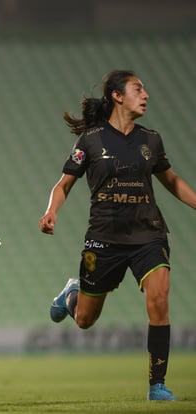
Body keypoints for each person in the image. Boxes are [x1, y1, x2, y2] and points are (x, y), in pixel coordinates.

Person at [39, 70, 196, 401]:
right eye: (139, 88)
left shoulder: (150, 140)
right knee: (84, 320)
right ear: (117, 95)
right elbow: (64, 184)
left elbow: (171, 181)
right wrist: (52, 211)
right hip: (105, 237)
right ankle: (72, 294)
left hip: (148, 233)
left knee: (159, 297)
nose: (146, 94)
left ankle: (157, 385)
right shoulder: (91, 140)